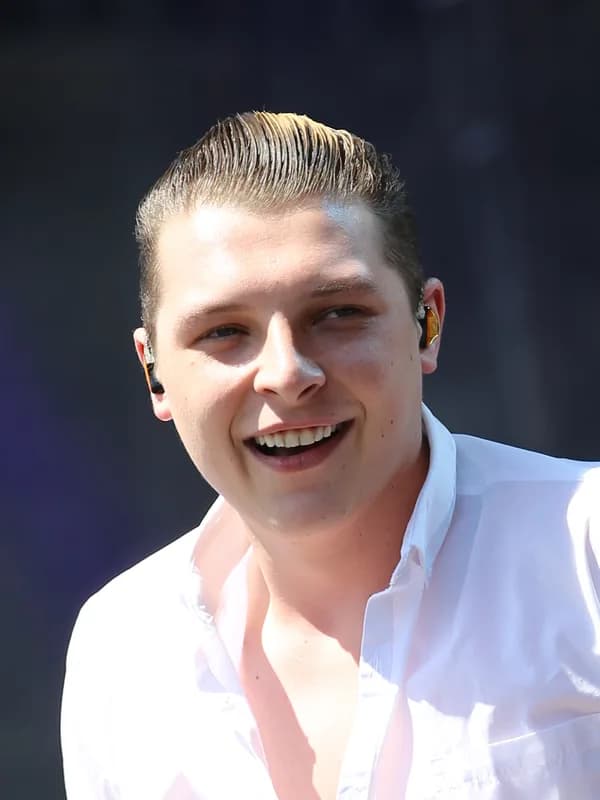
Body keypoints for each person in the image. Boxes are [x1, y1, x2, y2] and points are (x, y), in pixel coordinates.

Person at [61, 111, 600, 800]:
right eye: (224, 331)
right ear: (154, 372)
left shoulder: (586, 552)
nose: (286, 374)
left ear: (427, 324)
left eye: (338, 313)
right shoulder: (118, 649)